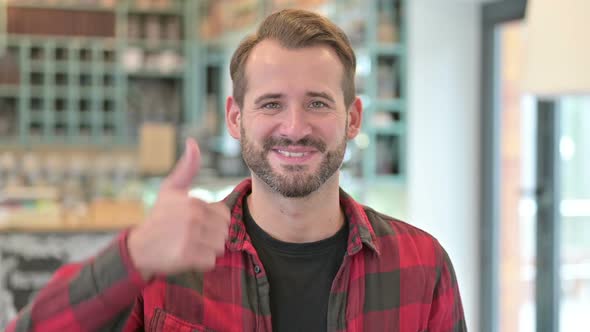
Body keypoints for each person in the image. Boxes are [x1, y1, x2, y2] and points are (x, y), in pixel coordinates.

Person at [7, 8, 466, 332]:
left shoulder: (422, 266)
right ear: (235, 117)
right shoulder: (167, 264)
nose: (294, 127)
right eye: (271, 103)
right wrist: (133, 255)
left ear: (353, 118)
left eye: (318, 103)